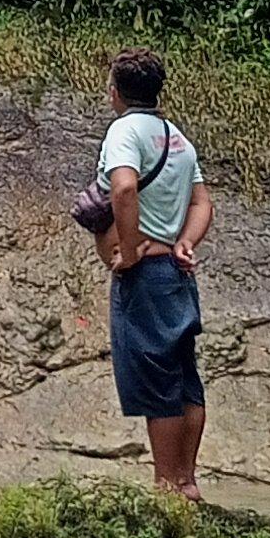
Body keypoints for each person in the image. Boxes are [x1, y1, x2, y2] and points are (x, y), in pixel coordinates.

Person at [98, 48, 215, 496]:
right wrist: (186, 242)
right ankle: (187, 480)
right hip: (176, 272)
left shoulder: (123, 131)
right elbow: (203, 202)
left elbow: (124, 187)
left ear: (116, 92)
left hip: (145, 276)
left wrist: (127, 251)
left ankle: (167, 484)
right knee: (184, 376)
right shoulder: (176, 137)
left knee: (157, 378)